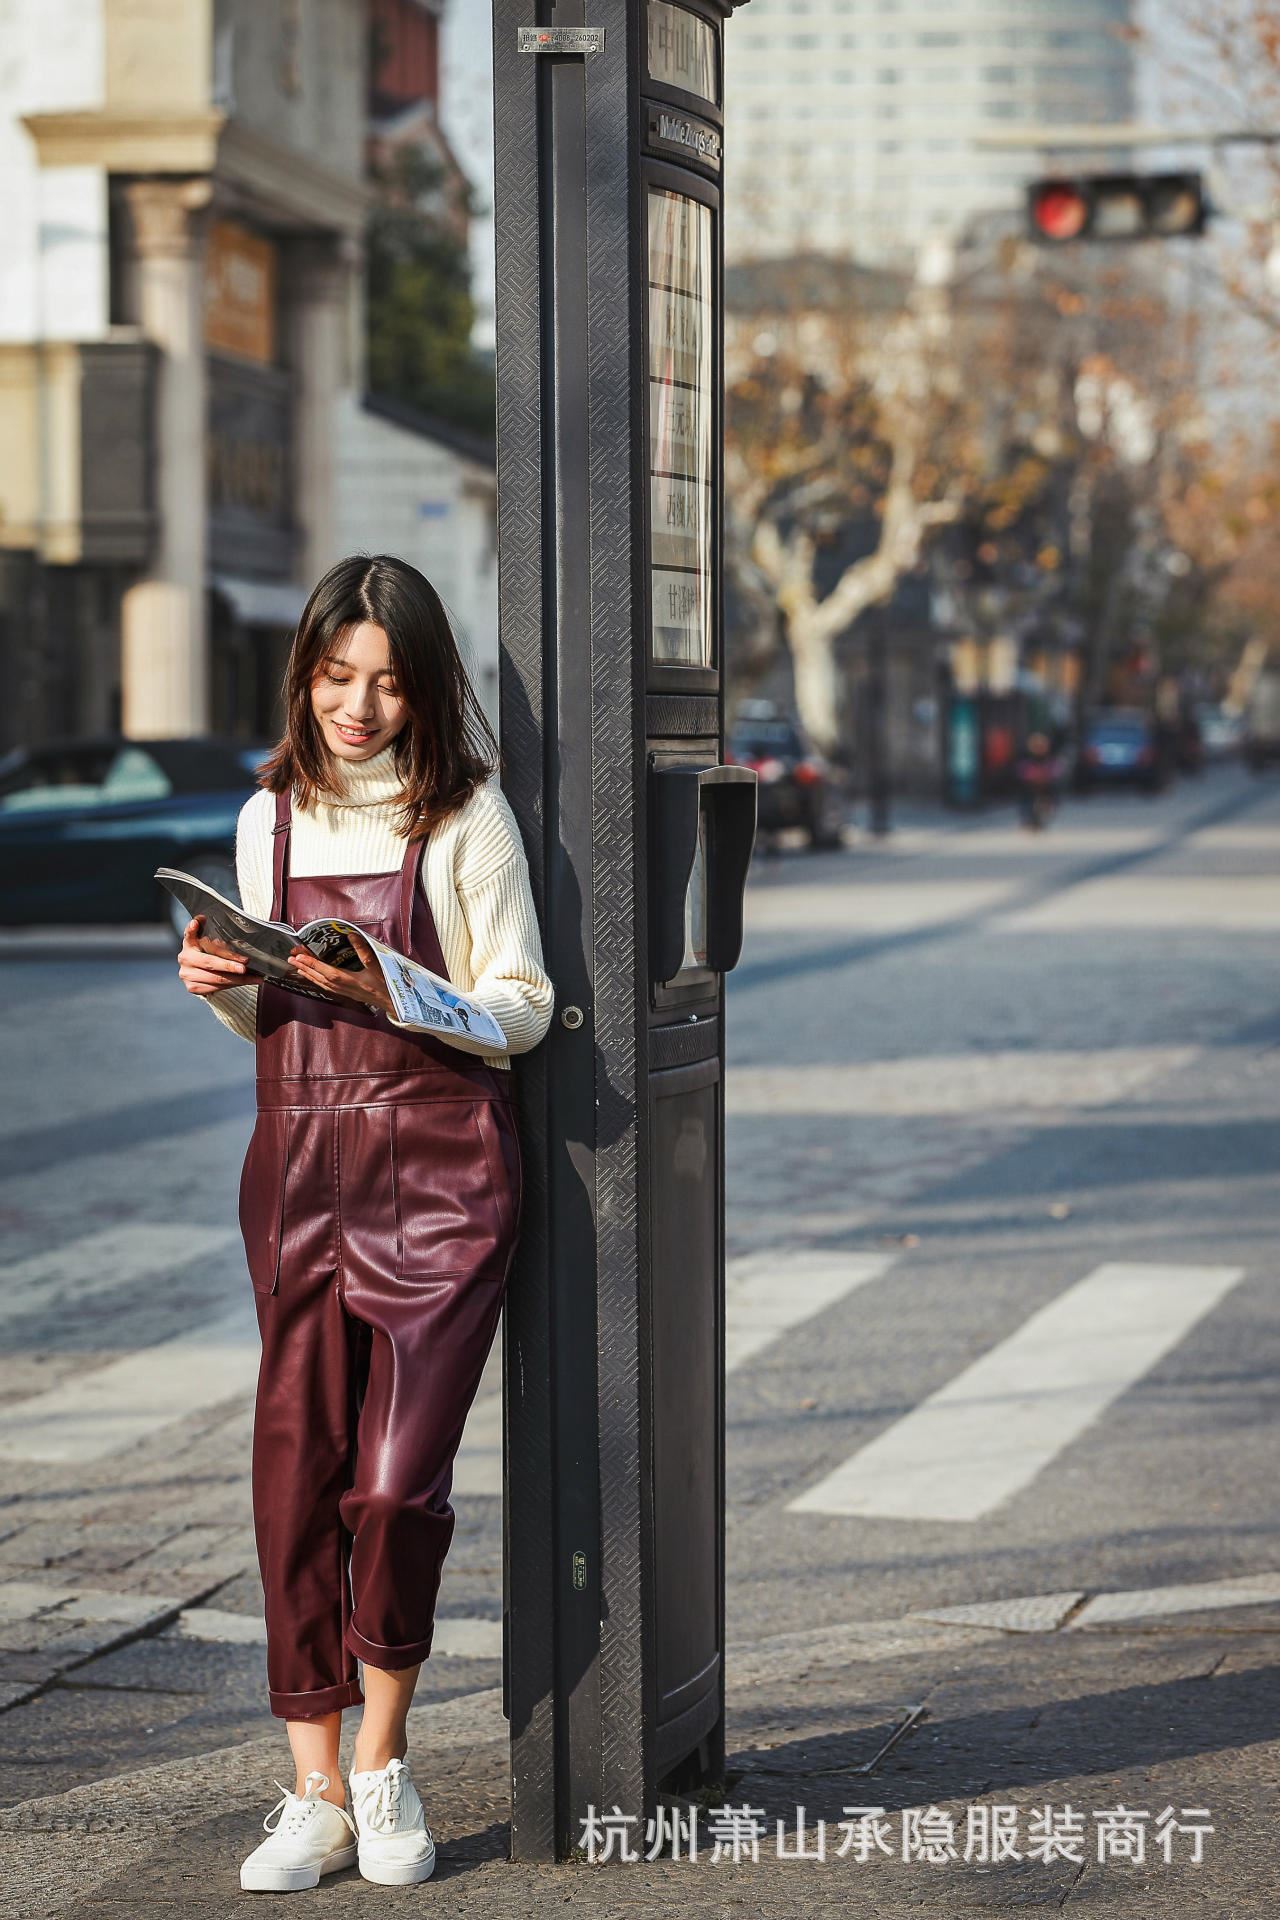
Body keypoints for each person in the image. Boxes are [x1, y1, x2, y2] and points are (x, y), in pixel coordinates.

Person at [176, 554, 553, 1893]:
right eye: (337, 677)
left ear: (424, 691)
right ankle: (312, 1792)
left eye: (388, 683)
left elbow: (519, 1009)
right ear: (306, 677)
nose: (358, 705)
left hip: (443, 1181)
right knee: (294, 1483)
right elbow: (265, 1026)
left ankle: (384, 1762)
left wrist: (402, 994)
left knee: (393, 1488)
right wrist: (225, 982)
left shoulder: (465, 821)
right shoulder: (263, 822)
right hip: (297, 1178)